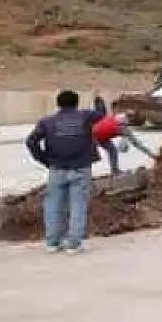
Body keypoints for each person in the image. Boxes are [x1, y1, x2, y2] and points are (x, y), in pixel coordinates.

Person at [25, 90, 103, 254]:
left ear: (58, 103)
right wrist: (99, 101)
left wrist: (44, 159)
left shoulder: (47, 122)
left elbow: (31, 141)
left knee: (53, 205)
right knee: (78, 204)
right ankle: (74, 244)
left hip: (57, 168)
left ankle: (52, 242)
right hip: (81, 167)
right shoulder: (85, 116)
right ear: (77, 102)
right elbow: (101, 115)